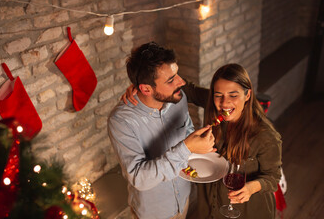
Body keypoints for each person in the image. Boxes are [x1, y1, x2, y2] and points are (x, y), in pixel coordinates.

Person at [124, 63, 282, 219]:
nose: (225, 103)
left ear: (247, 95)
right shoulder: (214, 104)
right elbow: (184, 87)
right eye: (218, 94)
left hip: (247, 211)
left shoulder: (265, 136)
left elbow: (273, 177)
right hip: (210, 207)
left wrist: (251, 187)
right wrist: (143, 87)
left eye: (233, 95)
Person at [107, 42, 216, 219]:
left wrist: (198, 143)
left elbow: (186, 129)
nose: (181, 82)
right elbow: (139, 178)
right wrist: (187, 148)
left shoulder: (178, 99)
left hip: (184, 199)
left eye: (177, 74)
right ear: (146, 89)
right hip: (154, 213)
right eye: (171, 80)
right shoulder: (121, 121)